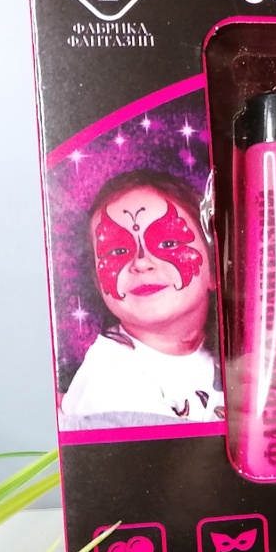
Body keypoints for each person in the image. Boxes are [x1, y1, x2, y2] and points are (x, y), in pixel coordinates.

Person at [60, 170, 224, 425]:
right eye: (118, 250)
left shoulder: (236, 350)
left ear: (214, 270)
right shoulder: (111, 380)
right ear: (97, 283)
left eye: (168, 244)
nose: (141, 262)